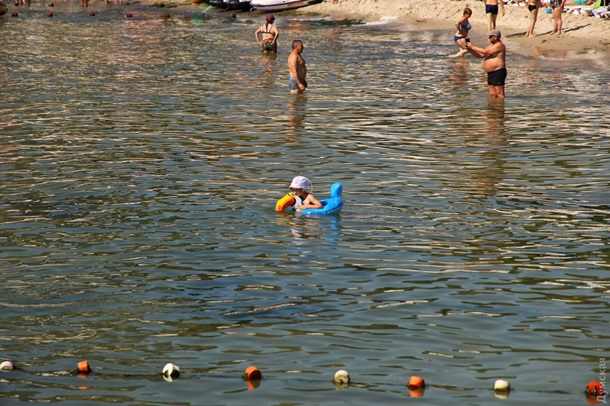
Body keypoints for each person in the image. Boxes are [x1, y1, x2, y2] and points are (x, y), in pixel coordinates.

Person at [465, 29, 507, 98]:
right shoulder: (491, 46)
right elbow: (480, 55)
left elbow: (485, 52)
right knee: (493, 94)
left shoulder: (499, 45)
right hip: (491, 73)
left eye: (490, 36)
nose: (489, 38)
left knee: (499, 94)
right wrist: (470, 50)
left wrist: (472, 46)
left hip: (498, 71)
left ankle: (501, 105)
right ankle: (494, 105)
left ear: (495, 37)